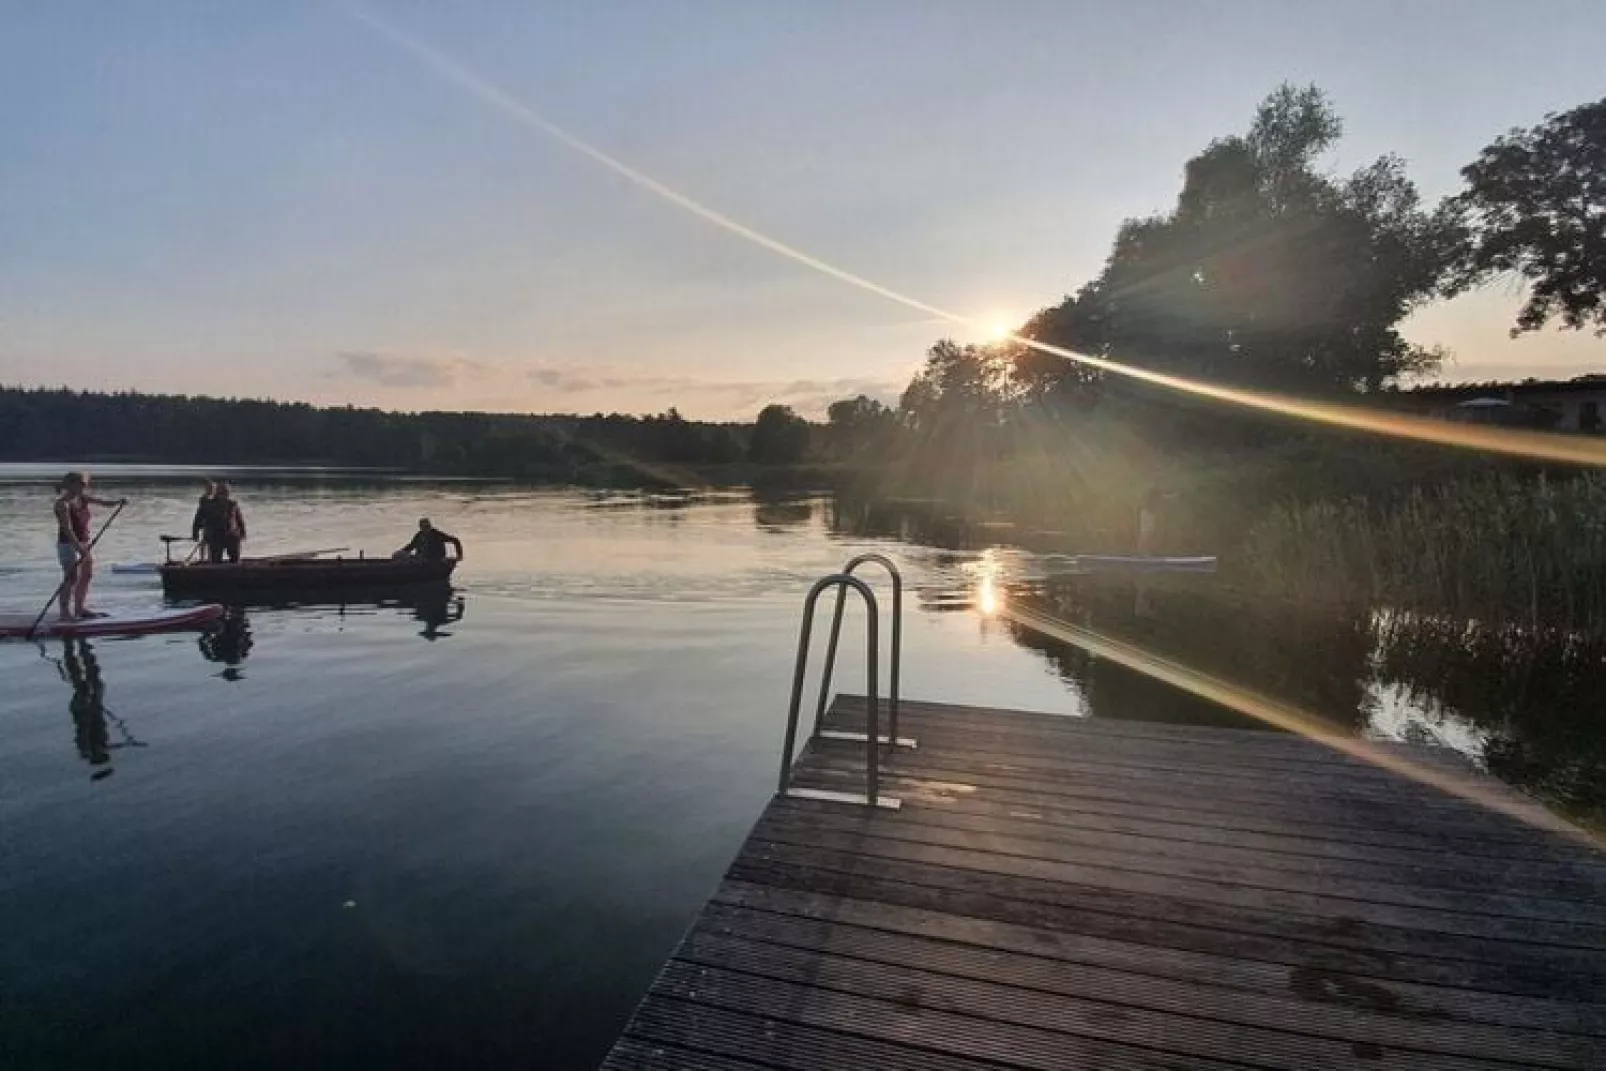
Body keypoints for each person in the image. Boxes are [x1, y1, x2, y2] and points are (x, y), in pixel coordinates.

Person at [53, 471, 126, 621]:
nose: (83, 487)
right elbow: (67, 530)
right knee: (72, 578)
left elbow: (104, 503)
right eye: (81, 485)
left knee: (86, 575)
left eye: (84, 485)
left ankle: (80, 608)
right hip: (67, 544)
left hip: (83, 543)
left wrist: (118, 502)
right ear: (70, 485)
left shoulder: (82, 498)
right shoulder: (62, 504)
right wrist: (80, 549)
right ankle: (64, 613)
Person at [198, 482, 247, 563]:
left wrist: (243, 532)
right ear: (217, 493)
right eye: (222, 493)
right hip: (215, 536)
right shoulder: (208, 504)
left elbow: (239, 519)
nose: (224, 495)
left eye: (226, 493)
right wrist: (196, 532)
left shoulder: (232, 504)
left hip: (231, 535)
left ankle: (235, 569)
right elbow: (199, 518)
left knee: (235, 558)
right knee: (216, 559)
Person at [393, 518, 463, 562]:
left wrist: (459, 556)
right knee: (398, 554)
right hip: (421, 558)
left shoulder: (437, 534)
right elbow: (411, 546)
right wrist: (401, 552)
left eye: (428, 526)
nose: (426, 528)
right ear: (420, 527)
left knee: (415, 559)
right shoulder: (419, 535)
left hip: (434, 559)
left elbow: (455, 540)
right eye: (424, 526)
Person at [190, 480, 216, 559]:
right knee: (204, 541)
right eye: (209, 488)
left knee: (211, 543)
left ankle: (210, 558)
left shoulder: (217, 499)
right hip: (206, 524)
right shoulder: (203, 499)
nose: (211, 490)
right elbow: (200, 513)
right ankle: (202, 558)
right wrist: (197, 528)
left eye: (212, 488)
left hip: (214, 524)